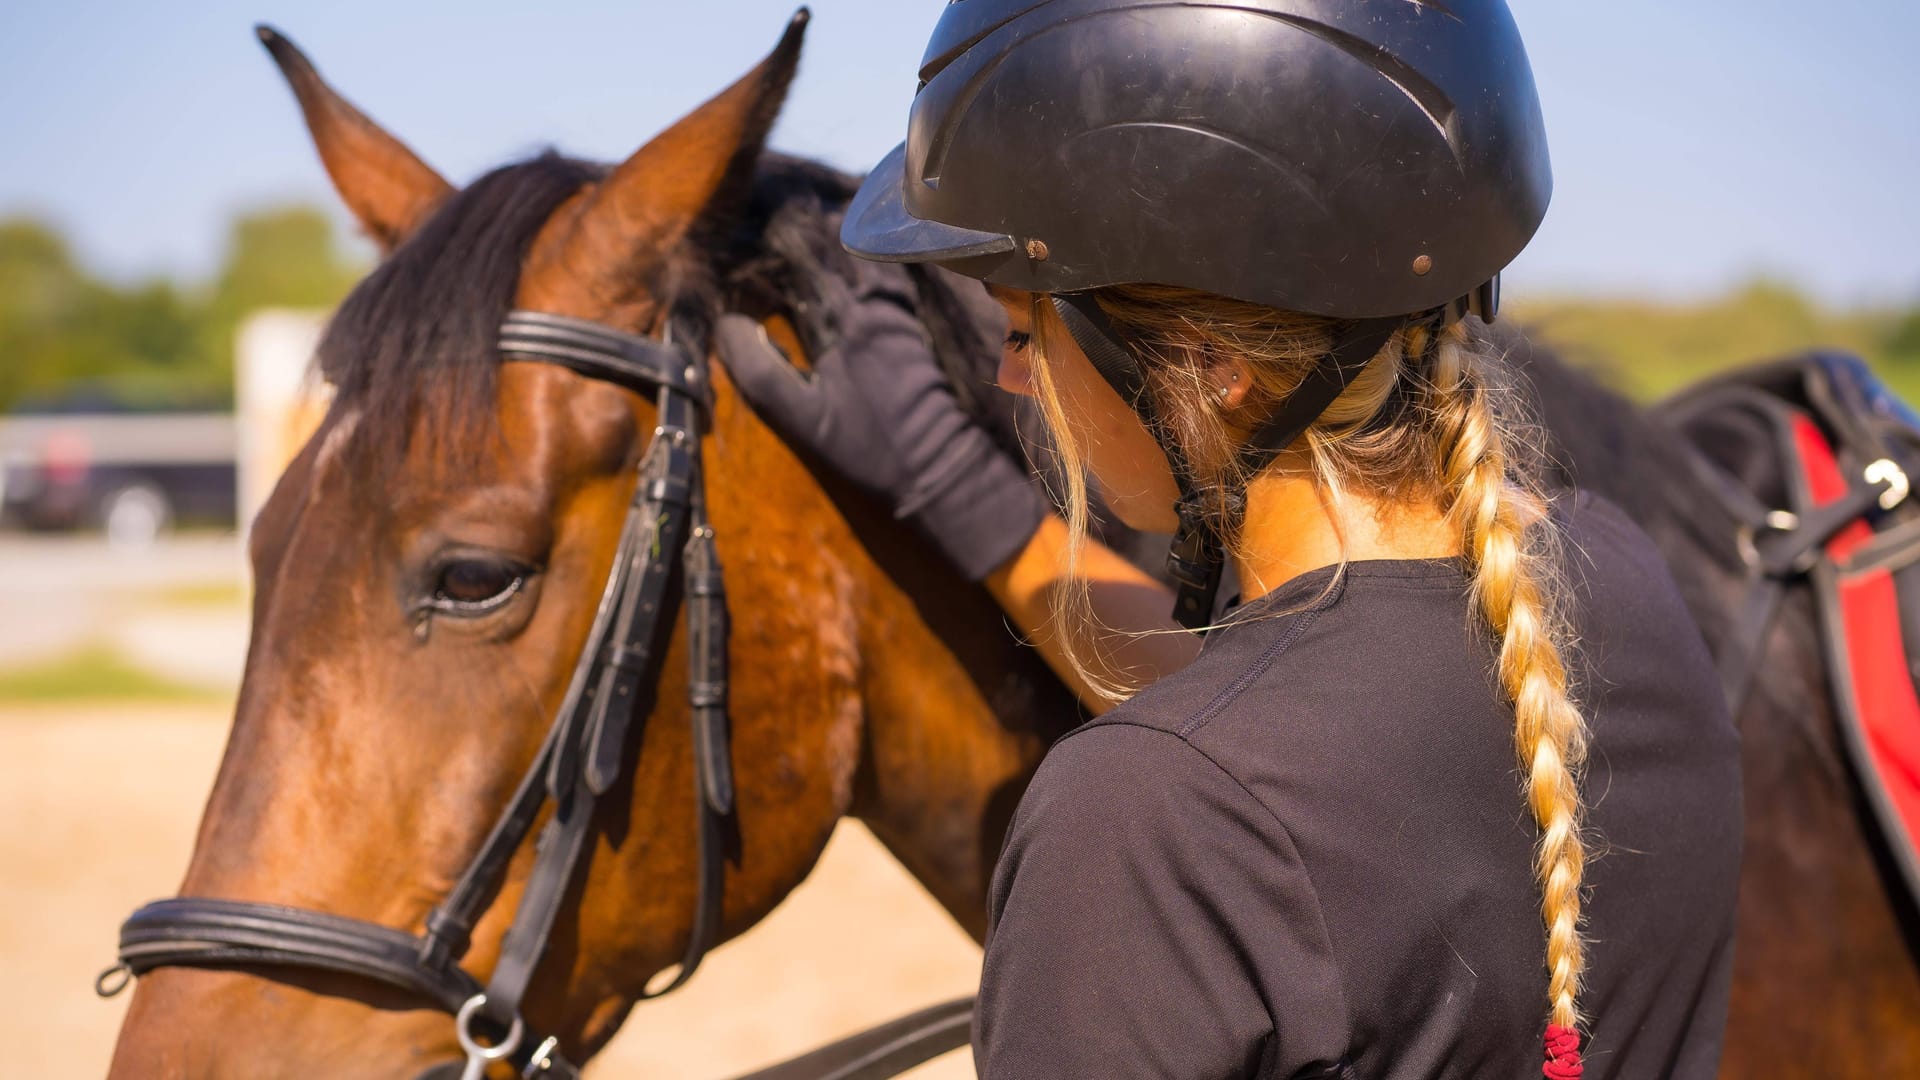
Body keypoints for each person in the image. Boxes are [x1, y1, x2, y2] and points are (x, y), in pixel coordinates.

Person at [714, 1, 1742, 1077]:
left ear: (1209, 366)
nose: (1010, 377)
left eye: (1023, 330)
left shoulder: (1139, 832)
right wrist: (969, 500)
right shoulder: (1616, 584)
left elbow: (1251, 773)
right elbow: (1320, 754)